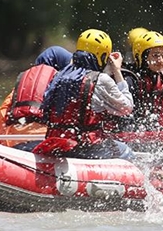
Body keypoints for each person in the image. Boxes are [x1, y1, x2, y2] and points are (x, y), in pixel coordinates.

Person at [38, 29, 135, 160]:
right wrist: (117, 71)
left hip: (56, 144)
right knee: (126, 151)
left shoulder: (59, 75)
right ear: (101, 57)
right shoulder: (101, 80)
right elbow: (127, 107)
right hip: (85, 148)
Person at [0, 46, 72, 149]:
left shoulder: (22, 84)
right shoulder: (63, 85)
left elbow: (2, 116)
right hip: (46, 143)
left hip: (16, 142)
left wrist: (3, 145)